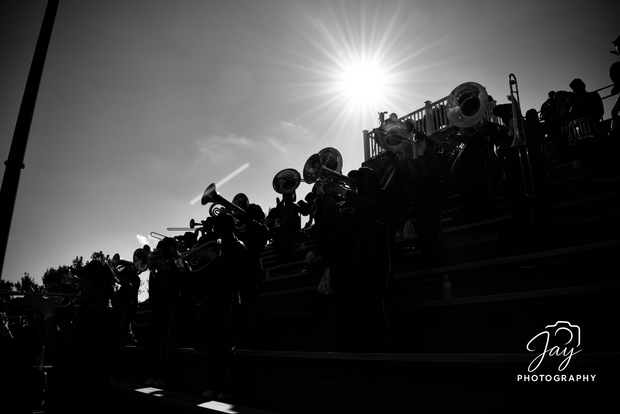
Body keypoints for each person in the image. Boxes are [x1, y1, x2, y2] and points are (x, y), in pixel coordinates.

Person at [27, 260, 118, 414]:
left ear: (100, 286)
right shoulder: (85, 315)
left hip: (84, 401)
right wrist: (39, 315)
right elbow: (47, 343)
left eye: (84, 283)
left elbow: (57, 350)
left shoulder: (104, 317)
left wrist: (48, 311)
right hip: (67, 397)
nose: (79, 287)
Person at [327, 167, 391, 352]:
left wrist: (344, 192)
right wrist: (329, 195)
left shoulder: (380, 195)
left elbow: (373, 208)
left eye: (360, 178)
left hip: (371, 262)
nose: (356, 182)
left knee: (371, 308)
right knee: (347, 312)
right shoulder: (348, 201)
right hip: (346, 264)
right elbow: (330, 222)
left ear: (372, 181)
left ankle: (378, 351)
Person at [194, 212, 248, 400]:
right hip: (211, 297)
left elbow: (232, 272)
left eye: (220, 226)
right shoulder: (216, 245)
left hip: (227, 297)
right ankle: (214, 384)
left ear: (229, 227)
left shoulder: (238, 246)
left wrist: (211, 257)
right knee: (211, 343)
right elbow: (202, 273)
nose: (217, 230)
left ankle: (226, 386)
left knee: (223, 343)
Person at [409, 135, 449, 268]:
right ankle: (430, 266)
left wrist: (420, 156)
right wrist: (415, 156)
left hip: (432, 200)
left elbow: (429, 174)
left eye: (420, 141)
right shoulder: (420, 158)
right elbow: (413, 177)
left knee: (433, 235)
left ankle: (441, 268)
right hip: (419, 201)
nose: (417, 143)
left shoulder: (437, 156)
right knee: (423, 237)